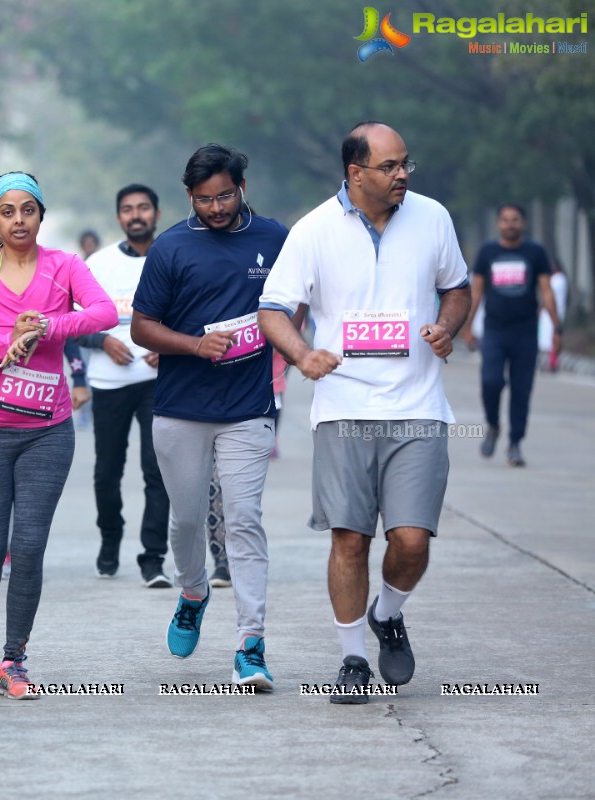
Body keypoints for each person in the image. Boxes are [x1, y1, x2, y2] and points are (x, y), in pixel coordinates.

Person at [258, 121, 471, 703]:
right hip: (344, 408)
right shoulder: (313, 231)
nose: (403, 175)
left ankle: (387, 612)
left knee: (411, 540)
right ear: (355, 173)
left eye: (406, 164)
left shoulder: (433, 218)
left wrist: (447, 327)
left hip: (418, 407)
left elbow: (457, 287)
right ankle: (353, 659)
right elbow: (273, 308)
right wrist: (302, 354)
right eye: (390, 166)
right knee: (349, 540)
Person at [0, 171, 116, 699]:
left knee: (29, 546)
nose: (18, 220)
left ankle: (15, 658)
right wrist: (4, 344)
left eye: (28, 210)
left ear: (41, 215)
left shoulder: (64, 268)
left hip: (47, 432)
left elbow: (105, 313)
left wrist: (47, 326)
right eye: (7, 211)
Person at [131, 144, 287, 692]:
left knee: (243, 519)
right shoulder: (172, 247)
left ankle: (251, 644)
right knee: (187, 519)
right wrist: (195, 345)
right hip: (181, 409)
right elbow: (142, 327)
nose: (215, 208)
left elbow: (294, 303)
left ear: (242, 187)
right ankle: (193, 591)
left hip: (248, 408)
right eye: (203, 200)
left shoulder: (274, 238)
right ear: (188, 196)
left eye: (224, 195)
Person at [73, 183, 170, 586]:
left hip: (159, 382)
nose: (136, 215)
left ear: (156, 214)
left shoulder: (173, 257)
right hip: (108, 382)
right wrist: (104, 340)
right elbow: (73, 323)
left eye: (143, 208)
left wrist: (169, 348)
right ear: (119, 217)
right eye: (128, 209)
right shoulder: (98, 264)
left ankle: (153, 559)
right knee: (107, 472)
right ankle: (110, 542)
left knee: (157, 471)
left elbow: (191, 316)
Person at [461, 204, 562, 466]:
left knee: (521, 390)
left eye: (515, 220)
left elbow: (547, 291)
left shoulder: (535, 252)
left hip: (525, 332)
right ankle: (493, 425)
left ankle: (515, 443)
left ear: (523, 223)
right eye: (505, 220)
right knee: (491, 381)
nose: (510, 224)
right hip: (495, 331)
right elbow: (476, 291)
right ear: (498, 224)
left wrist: (556, 328)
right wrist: (467, 326)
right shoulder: (487, 252)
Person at [539, 259, 567, 372]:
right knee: (550, 340)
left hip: (552, 312)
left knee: (552, 339)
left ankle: (553, 363)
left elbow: (549, 296)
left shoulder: (557, 280)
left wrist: (543, 307)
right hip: (553, 312)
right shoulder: (561, 279)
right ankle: (551, 363)